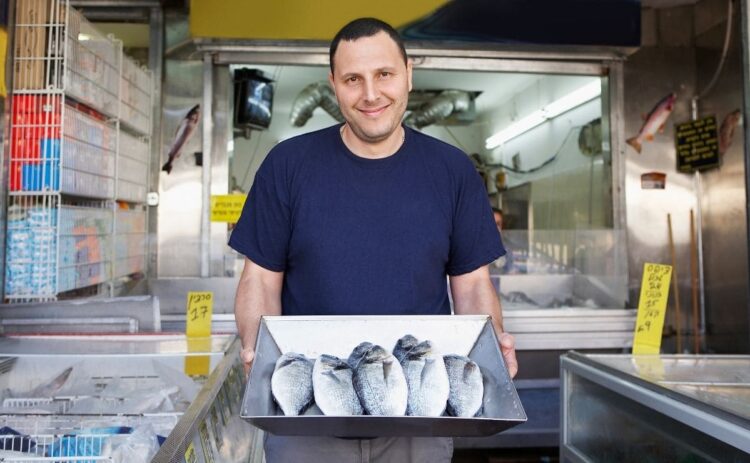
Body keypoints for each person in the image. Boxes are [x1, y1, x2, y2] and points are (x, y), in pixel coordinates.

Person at [229, 17, 517, 463]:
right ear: (333, 84)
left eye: (384, 74)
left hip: (418, 410)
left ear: (408, 74)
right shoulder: (287, 165)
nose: (370, 93)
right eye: (352, 79)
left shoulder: (452, 171)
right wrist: (254, 343)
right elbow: (260, 279)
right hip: (308, 415)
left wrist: (491, 345)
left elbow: (473, 283)